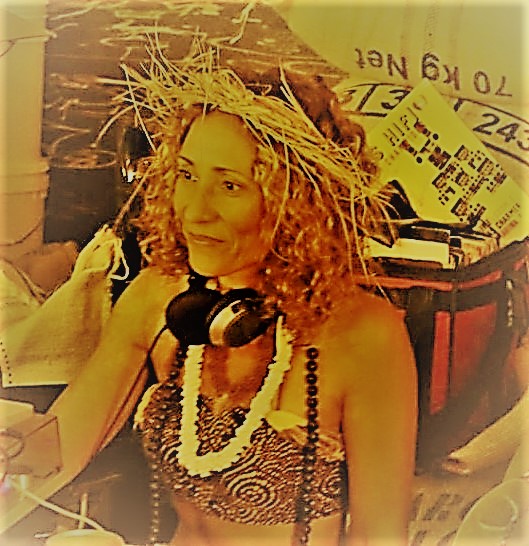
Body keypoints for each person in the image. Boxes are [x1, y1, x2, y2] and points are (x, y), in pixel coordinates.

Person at [48, 45, 418, 546]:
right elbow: (57, 447)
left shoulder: (364, 335)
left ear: (294, 202)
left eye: (229, 186)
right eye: (186, 176)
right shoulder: (160, 295)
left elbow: (381, 536)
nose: (195, 211)